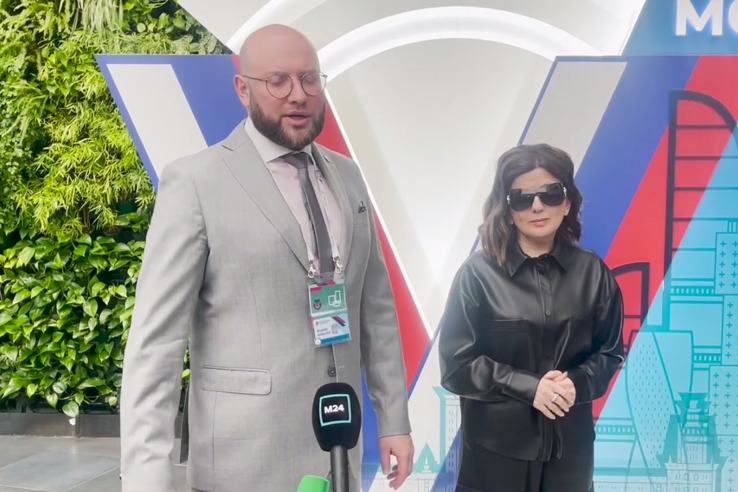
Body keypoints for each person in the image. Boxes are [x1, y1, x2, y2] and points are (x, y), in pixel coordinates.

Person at [119, 24, 414, 492]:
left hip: (338, 452)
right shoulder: (195, 182)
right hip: (241, 464)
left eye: (309, 79)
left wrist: (394, 419)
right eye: (278, 81)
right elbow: (157, 344)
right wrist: (147, 477)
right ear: (243, 89)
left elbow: (375, 308)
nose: (298, 94)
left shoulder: (348, 176)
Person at [438, 144, 624, 492]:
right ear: (507, 209)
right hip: (494, 462)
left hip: (570, 461)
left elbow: (610, 352)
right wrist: (530, 387)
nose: (537, 206)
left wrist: (576, 383)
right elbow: (456, 365)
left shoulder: (593, 273)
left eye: (550, 194)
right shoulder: (477, 275)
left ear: (567, 203)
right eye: (522, 198)